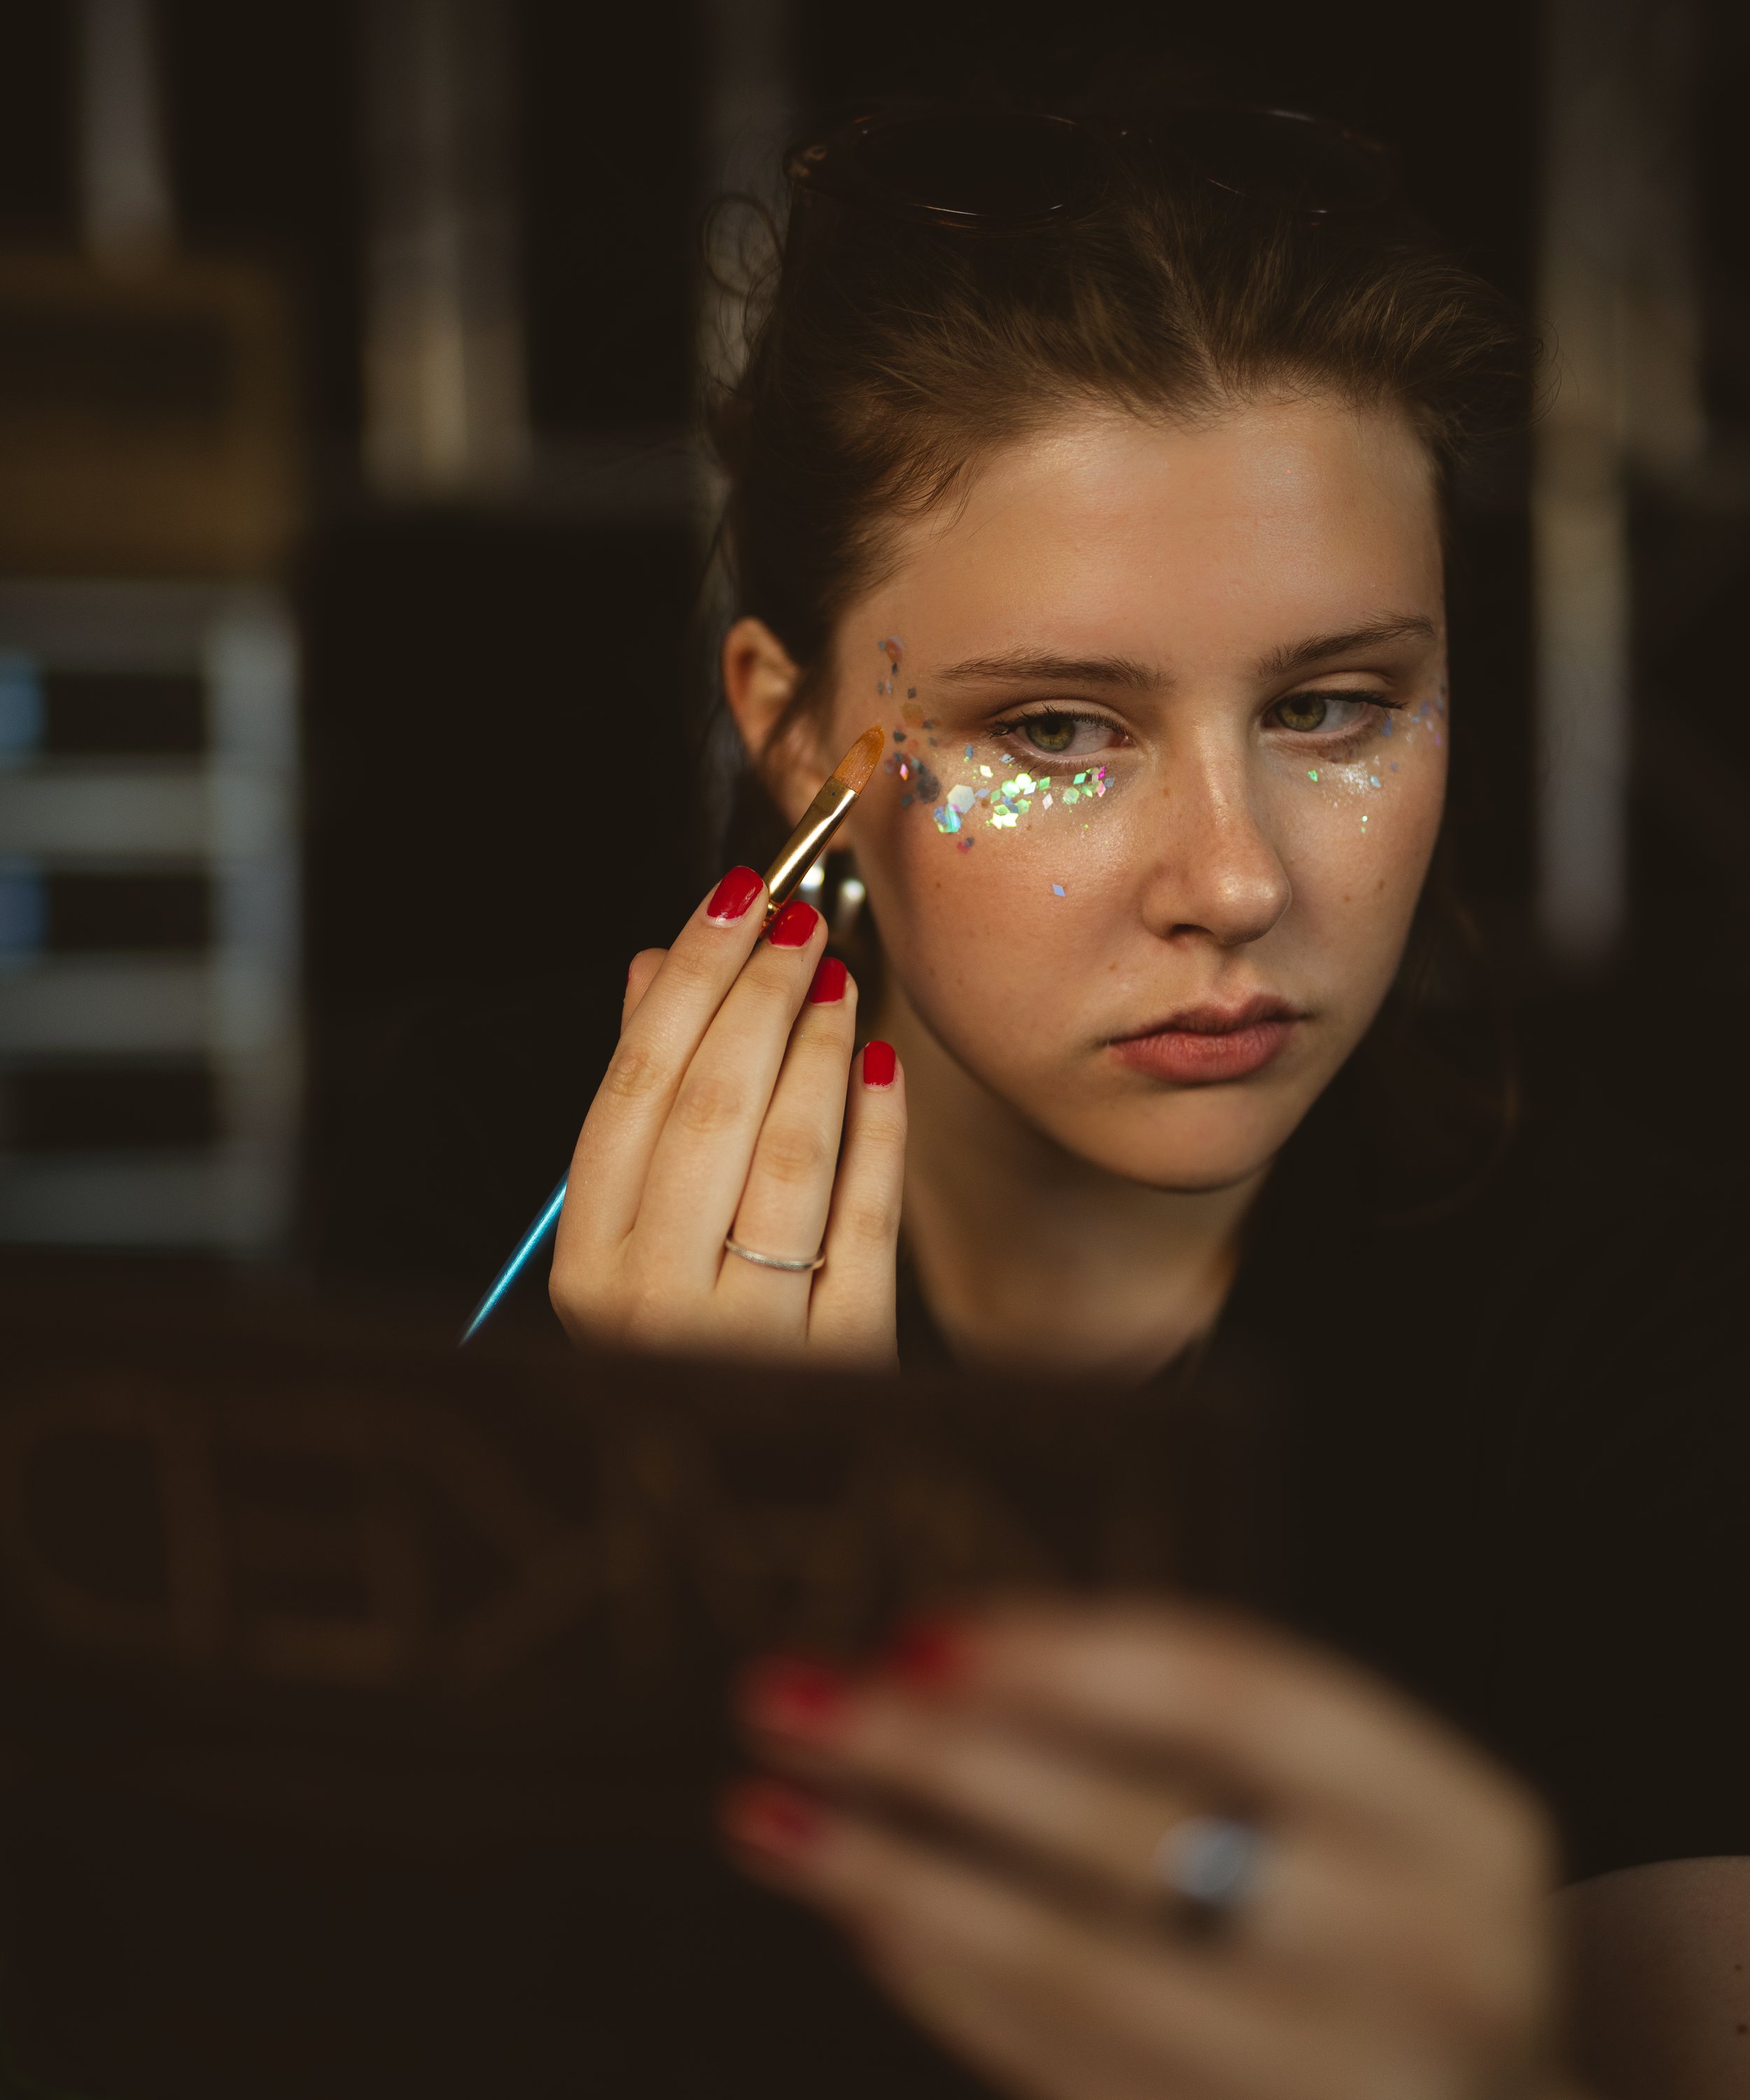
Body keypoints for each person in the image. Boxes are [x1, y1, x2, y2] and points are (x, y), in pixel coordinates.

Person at [547, 95, 1750, 2100]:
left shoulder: (1646, 1324)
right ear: (788, 734)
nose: (1235, 880)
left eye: (1331, 706)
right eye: (1053, 730)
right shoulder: (474, 1205)